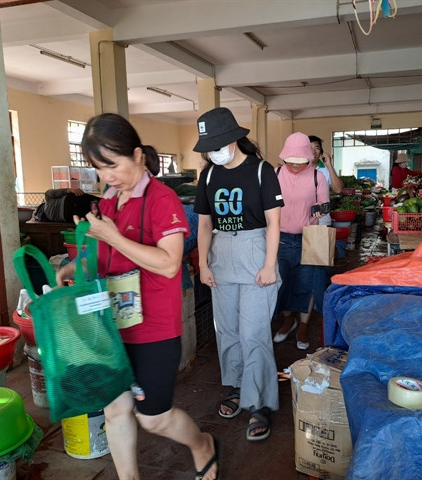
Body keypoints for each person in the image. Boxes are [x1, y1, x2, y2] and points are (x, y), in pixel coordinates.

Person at [55, 113, 219, 480]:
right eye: (99, 168)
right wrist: (74, 266)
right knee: (115, 410)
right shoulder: (107, 203)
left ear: (138, 155)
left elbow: (169, 264)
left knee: (153, 418)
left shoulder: (162, 200)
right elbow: (103, 255)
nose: (108, 176)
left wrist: (112, 236)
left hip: (153, 329)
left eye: (113, 165)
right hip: (111, 327)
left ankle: (201, 444)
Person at [193, 107, 283, 442]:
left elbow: (274, 222)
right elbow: (204, 225)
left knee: (253, 332)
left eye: (217, 145)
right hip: (222, 255)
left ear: (233, 139)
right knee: (228, 330)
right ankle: (238, 386)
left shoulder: (261, 171)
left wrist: (270, 264)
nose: (213, 153)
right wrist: (203, 264)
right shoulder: (208, 176)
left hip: (255, 250)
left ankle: (259, 401)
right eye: (208, 148)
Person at [272, 132, 330, 351]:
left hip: (309, 238)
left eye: (300, 161)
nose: (295, 166)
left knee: (307, 284)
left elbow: (324, 204)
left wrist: (319, 210)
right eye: (291, 161)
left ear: (308, 157)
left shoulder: (317, 176)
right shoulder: (275, 174)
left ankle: (303, 327)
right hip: (280, 239)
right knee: (282, 284)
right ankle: (289, 321)